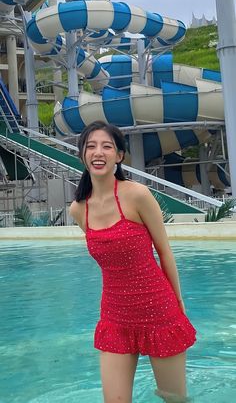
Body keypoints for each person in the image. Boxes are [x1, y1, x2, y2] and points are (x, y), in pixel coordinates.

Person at [70, 120, 196, 403]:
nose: (98, 152)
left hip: (159, 311)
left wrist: (178, 303)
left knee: (173, 398)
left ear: (119, 155)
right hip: (115, 317)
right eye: (90, 146)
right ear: (82, 154)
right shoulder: (79, 210)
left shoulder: (137, 195)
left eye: (106, 146)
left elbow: (164, 251)